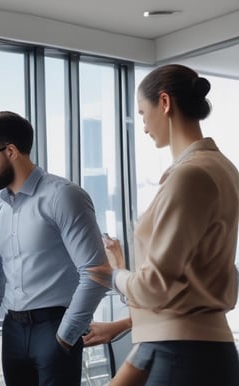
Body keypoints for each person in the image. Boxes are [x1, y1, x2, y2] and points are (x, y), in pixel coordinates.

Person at [90, 64, 239, 386]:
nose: (143, 126)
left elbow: (156, 285)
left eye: (143, 113)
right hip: (187, 345)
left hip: (184, 351)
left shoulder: (191, 176)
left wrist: (112, 276)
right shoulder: (222, 169)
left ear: (165, 103)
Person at [0, 111, 110, 386]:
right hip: (13, 333)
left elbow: (97, 273)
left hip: (55, 328)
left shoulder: (63, 196)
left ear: (10, 151)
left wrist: (65, 336)